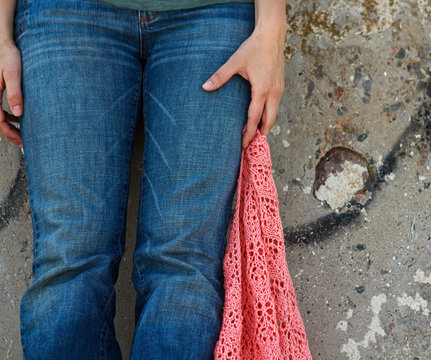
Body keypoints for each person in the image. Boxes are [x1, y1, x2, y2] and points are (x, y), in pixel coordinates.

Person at [0, 0, 285, 358]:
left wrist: (272, 26)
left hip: (213, 13)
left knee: (184, 265)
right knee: (68, 260)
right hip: (63, 14)